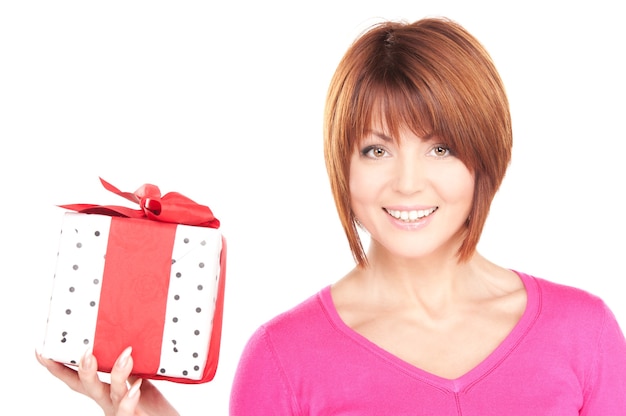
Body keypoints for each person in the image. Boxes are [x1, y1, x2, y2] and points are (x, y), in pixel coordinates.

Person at [37, 16, 626, 415]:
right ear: (341, 166)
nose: (407, 181)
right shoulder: (282, 357)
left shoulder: (585, 334)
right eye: (376, 149)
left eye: (440, 147)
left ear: (487, 153)